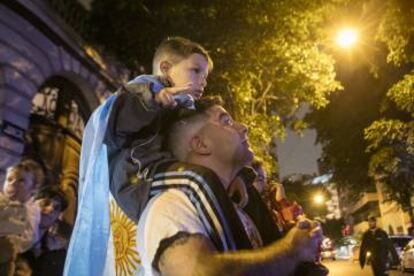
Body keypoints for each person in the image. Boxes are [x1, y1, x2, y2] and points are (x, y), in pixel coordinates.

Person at [64, 36, 212, 275]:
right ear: (165, 68)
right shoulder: (145, 89)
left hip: (149, 185)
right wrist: (154, 101)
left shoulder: (183, 105)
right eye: (195, 70)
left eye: (205, 75)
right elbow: (122, 119)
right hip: (134, 184)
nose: (202, 80)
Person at [136, 97, 323, 275]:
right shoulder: (172, 205)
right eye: (226, 121)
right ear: (201, 144)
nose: (244, 127)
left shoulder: (239, 208)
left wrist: (297, 244)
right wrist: (292, 250)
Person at [0, 159, 45, 275]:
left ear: (33, 188)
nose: (13, 183)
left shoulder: (30, 211)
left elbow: (27, 239)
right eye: (9, 179)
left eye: (21, 181)